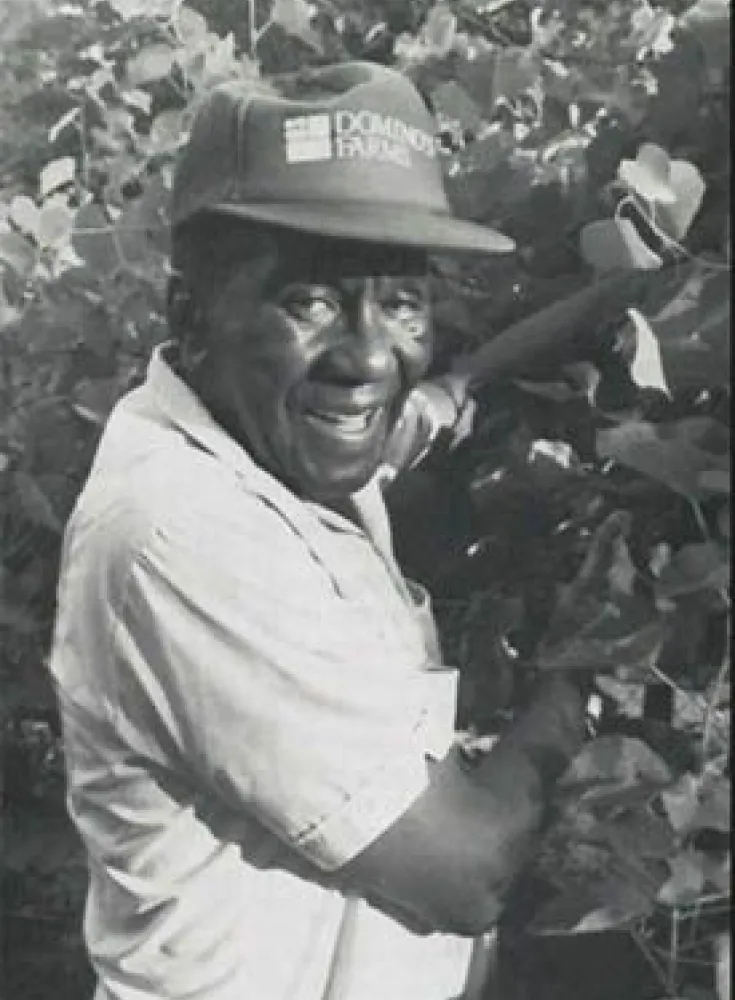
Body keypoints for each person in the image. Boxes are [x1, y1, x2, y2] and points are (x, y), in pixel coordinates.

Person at [49, 61, 589, 1000]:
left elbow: (431, 402)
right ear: (192, 316)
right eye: (309, 300)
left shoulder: (286, 435)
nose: (371, 355)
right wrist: (580, 675)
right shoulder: (183, 532)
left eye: (403, 300)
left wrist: (640, 293)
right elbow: (467, 870)